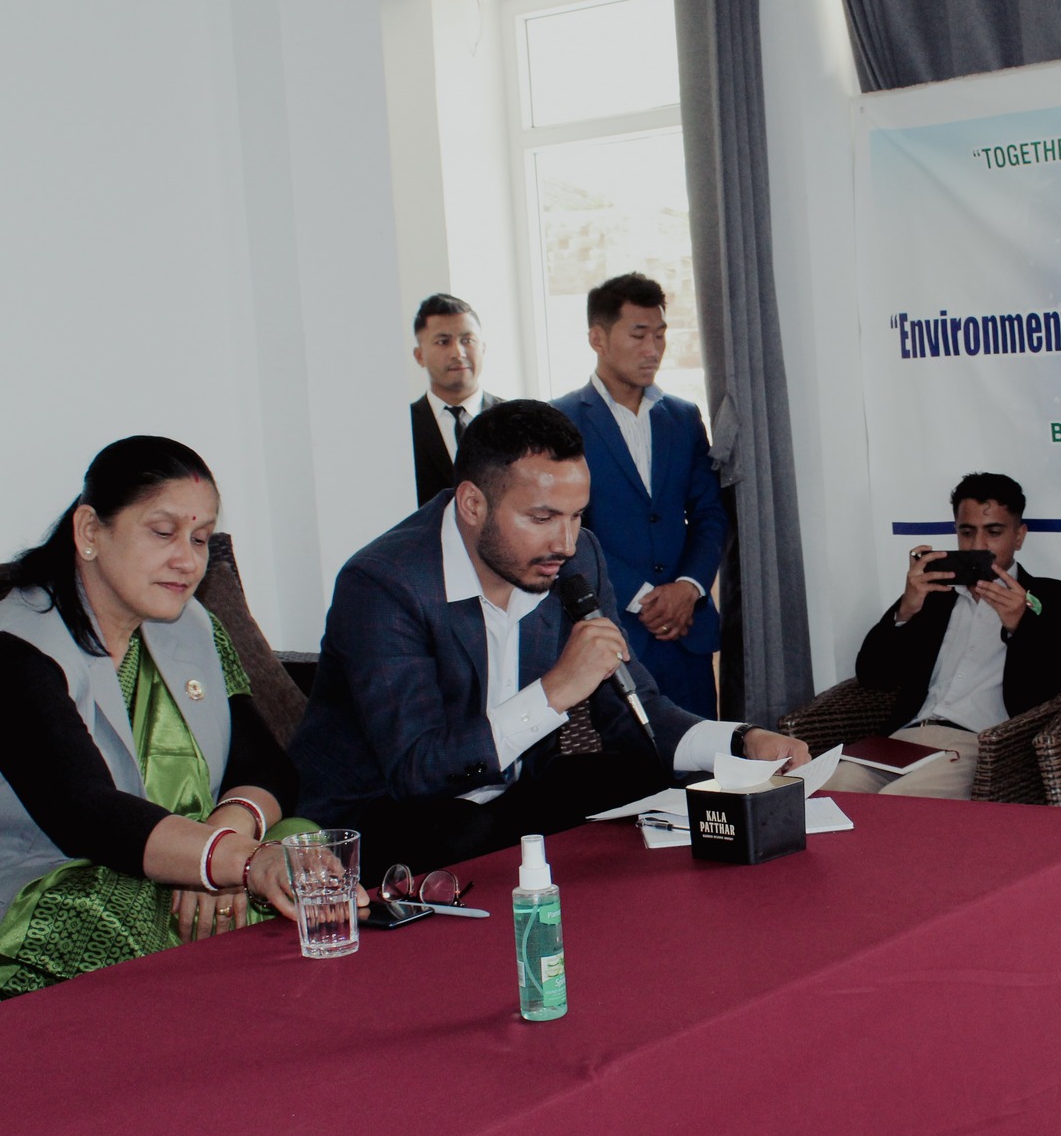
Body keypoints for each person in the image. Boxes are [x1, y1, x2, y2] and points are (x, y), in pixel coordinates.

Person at [0, 437, 351, 995]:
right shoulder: (3, 652)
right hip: (43, 878)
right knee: (122, 912)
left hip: (177, 851)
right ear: (90, 531)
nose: (188, 560)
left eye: (200, 538)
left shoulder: (191, 626)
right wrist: (239, 863)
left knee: (302, 842)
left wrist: (219, 849)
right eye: (162, 533)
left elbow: (267, 767)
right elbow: (84, 812)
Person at [292, 399, 806, 875]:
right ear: (472, 504)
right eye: (542, 518)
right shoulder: (383, 584)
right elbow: (417, 769)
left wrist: (740, 742)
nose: (566, 542)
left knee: (652, 783)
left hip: (509, 802)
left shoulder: (576, 559)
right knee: (474, 829)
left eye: (576, 514)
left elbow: (636, 710)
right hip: (385, 819)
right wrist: (557, 689)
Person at [823, 472, 1061, 798]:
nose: (978, 546)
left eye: (994, 532)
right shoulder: (934, 594)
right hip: (906, 738)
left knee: (900, 803)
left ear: (1019, 536)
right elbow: (872, 675)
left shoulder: (1052, 597)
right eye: (967, 532)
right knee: (834, 789)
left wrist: (1022, 625)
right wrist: (905, 610)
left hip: (980, 745)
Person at [551, 273, 726, 717]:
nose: (653, 349)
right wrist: (641, 596)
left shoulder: (683, 417)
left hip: (686, 630)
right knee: (629, 757)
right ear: (598, 338)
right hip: (612, 629)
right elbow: (563, 530)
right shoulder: (560, 420)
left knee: (702, 751)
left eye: (660, 334)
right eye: (638, 334)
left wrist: (688, 588)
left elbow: (710, 514)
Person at [410, 293, 501, 508]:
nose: (458, 353)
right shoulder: (403, 427)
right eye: (443, 342)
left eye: (467, 340)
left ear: (483, 348)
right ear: (419, 356)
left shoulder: (516, 420)